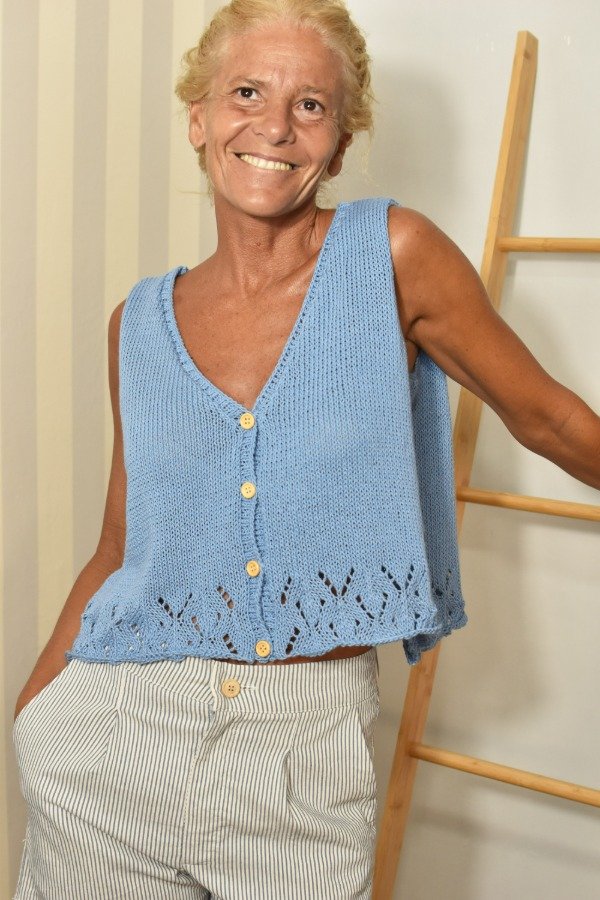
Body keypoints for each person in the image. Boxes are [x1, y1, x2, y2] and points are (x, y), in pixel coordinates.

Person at [12, 1, 600, 898]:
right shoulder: (138, 323)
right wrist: (35, 709)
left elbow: (550, 419)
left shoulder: (393, 254)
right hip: (113, 737)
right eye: (246, 93)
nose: (276, 127)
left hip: (302, 756)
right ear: (199, 118)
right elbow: (121, 545)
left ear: (340, 140)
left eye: (311, 105)